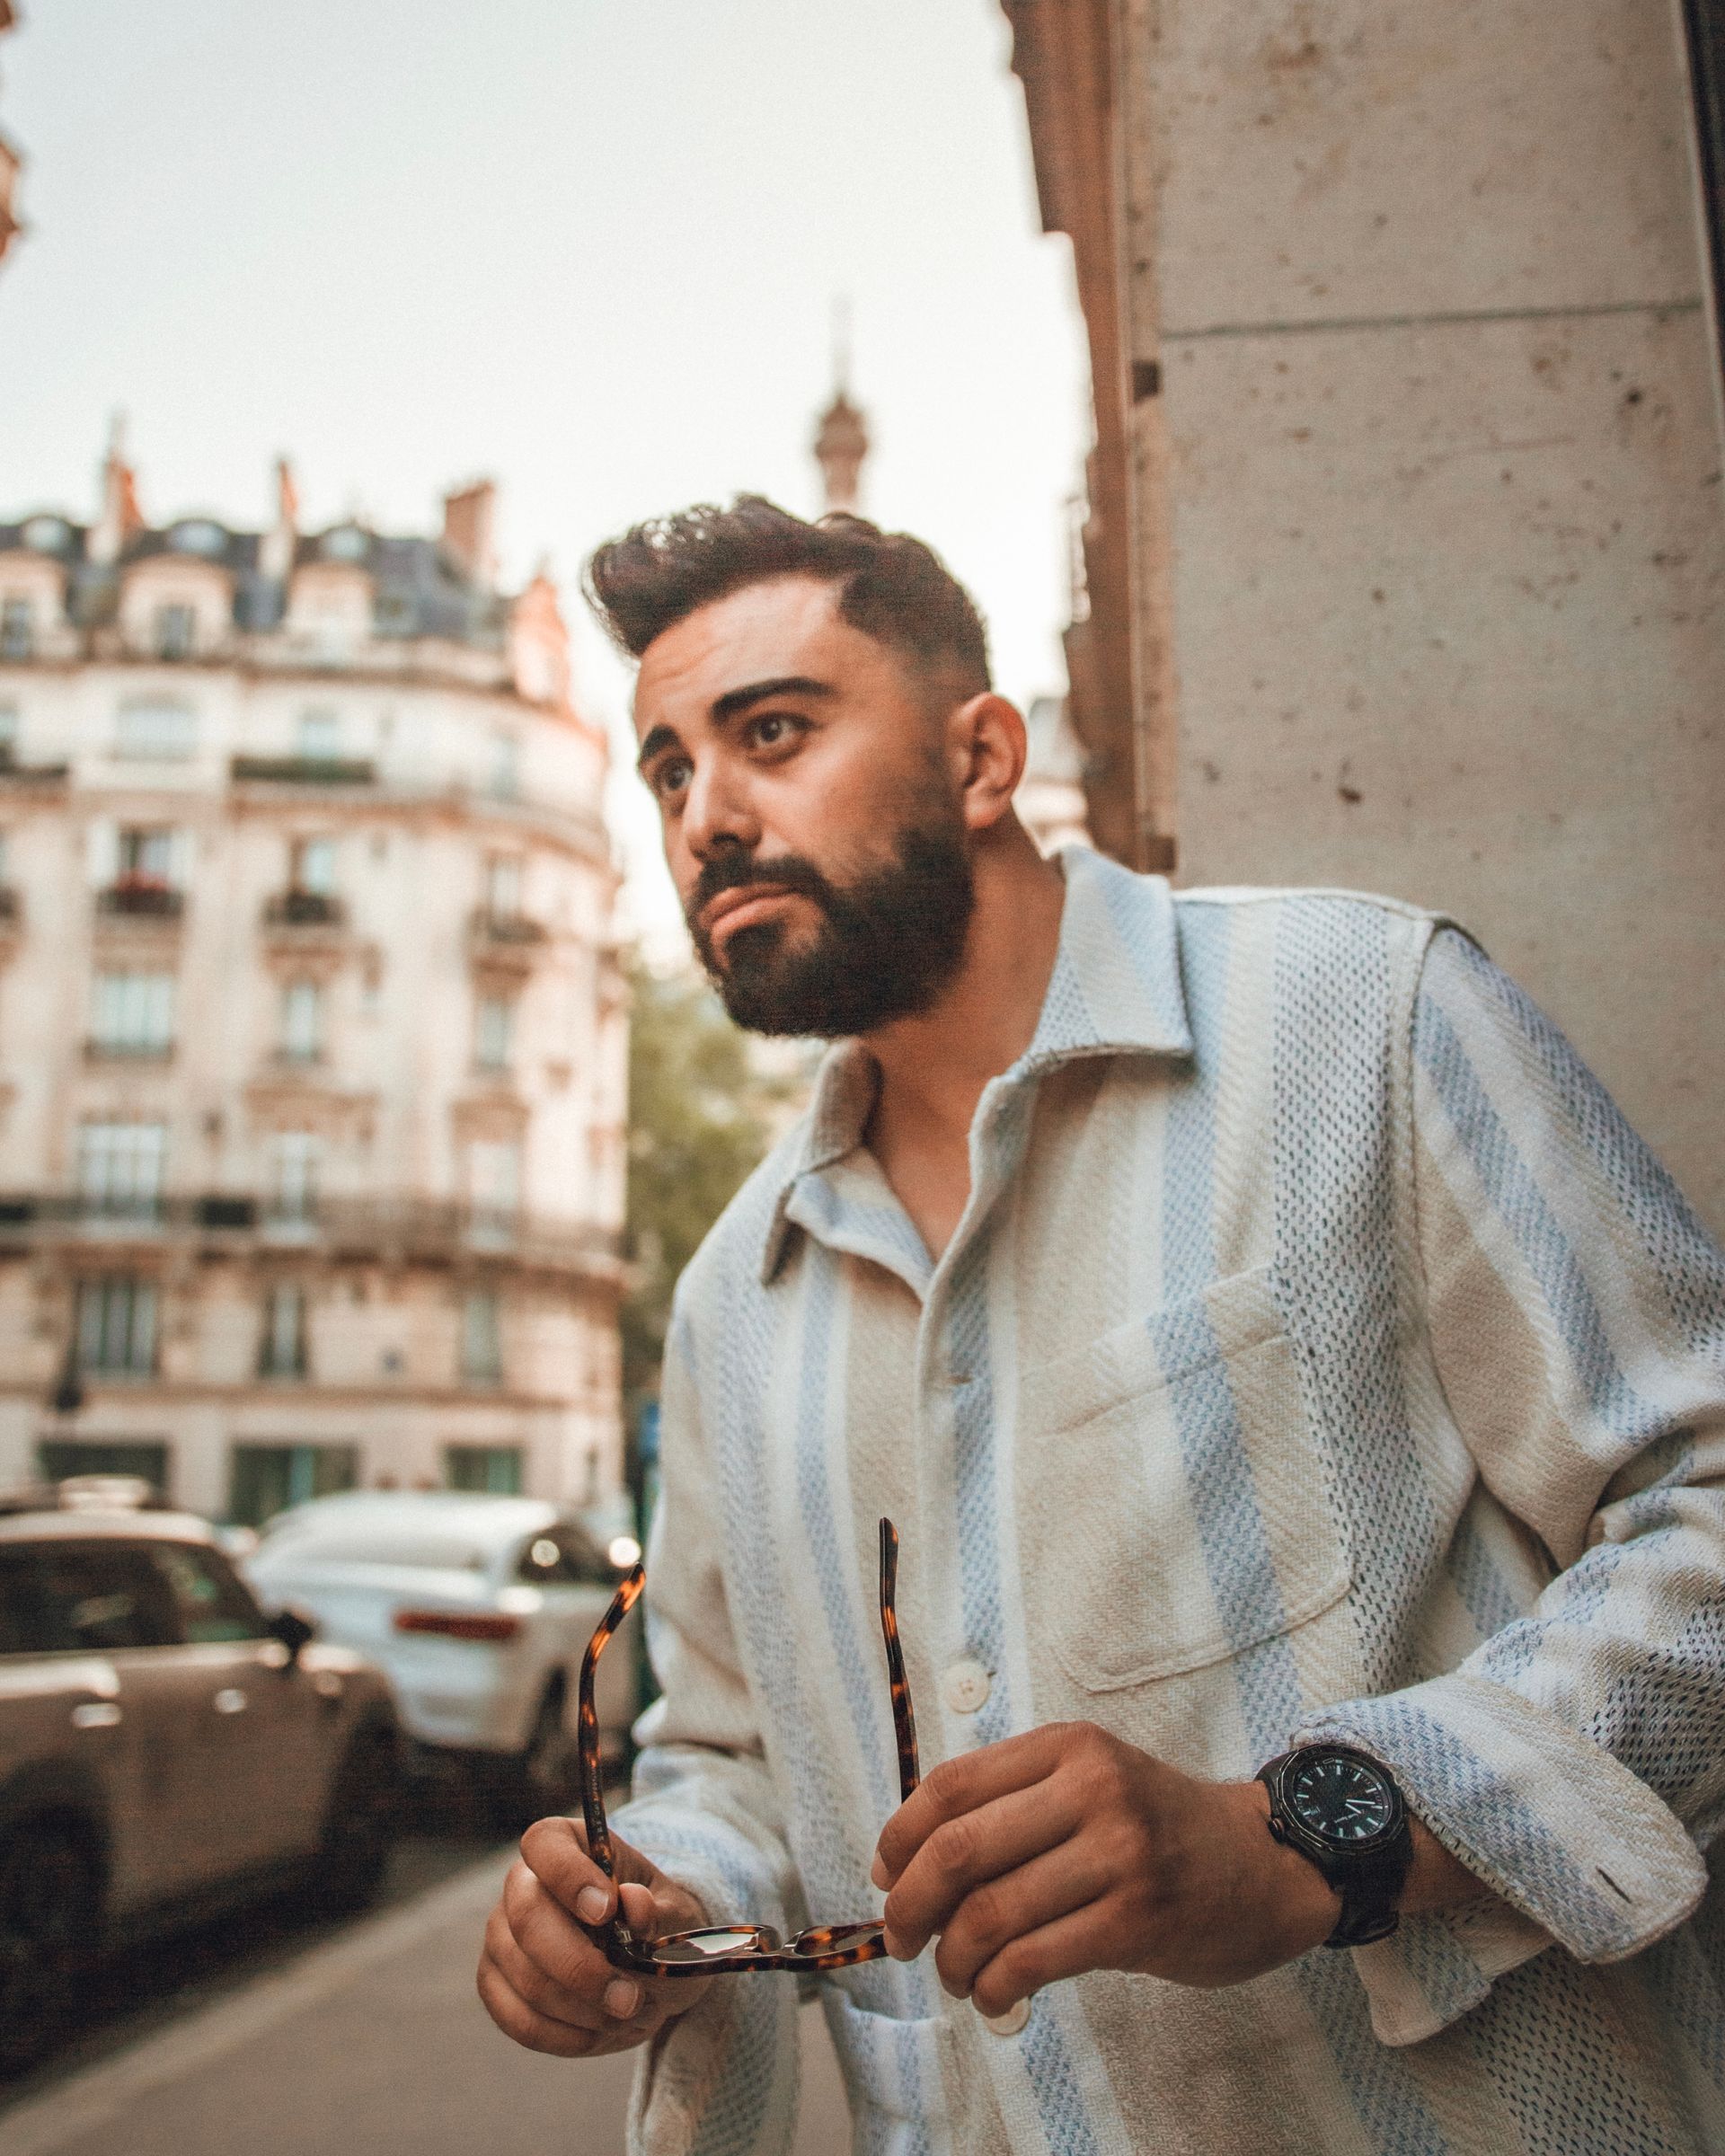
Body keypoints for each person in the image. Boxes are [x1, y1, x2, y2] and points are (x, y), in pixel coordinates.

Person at [477, 499, 1725, 2154]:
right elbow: (732, 1760)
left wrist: (1310, 1837)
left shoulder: (1364, 1019)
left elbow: (1701, 1515)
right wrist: (652, 1901)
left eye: (770, 733)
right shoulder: (729, 1299)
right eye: (668, 773)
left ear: (983, 757)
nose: (707, 816)